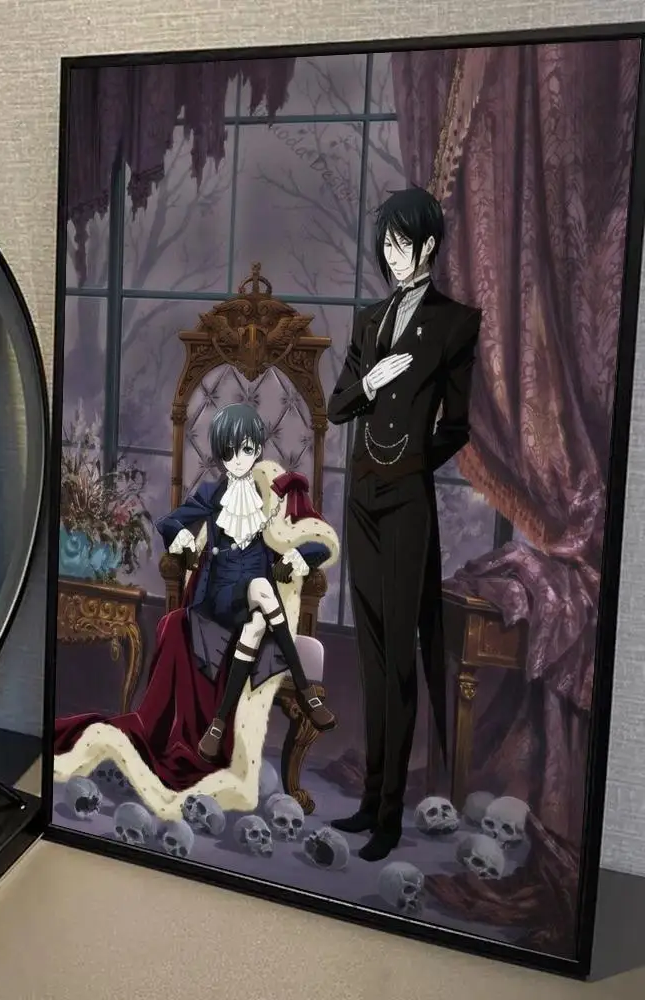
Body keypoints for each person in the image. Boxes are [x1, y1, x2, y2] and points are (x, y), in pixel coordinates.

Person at [326, 187, 482, 862]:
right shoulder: (370, 321)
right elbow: (337, 407)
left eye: (403, 244)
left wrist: (415, 461)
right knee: (370, 656)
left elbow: (459, 425)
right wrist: (371, 380)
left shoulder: (455, 323)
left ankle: (390, 815)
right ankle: (369, 801)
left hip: (406, 501)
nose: (393, 256)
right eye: (386, 244)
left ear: (429, 247)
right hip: (362, 498)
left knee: (398, 659)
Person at [157, 403, 335, 762]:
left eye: (247, 449)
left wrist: (297, 556)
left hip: (259, 604)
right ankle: (305, 691)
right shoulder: (211, 494)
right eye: (230, 451)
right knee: (263, 591)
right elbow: (169, 522)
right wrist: (184, 539)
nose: (239, 459)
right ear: (221, 453)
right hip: (222, 594)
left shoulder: (272, 496)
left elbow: (320, 541)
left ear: (257, 449)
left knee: (256, 625)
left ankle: (218, 723)